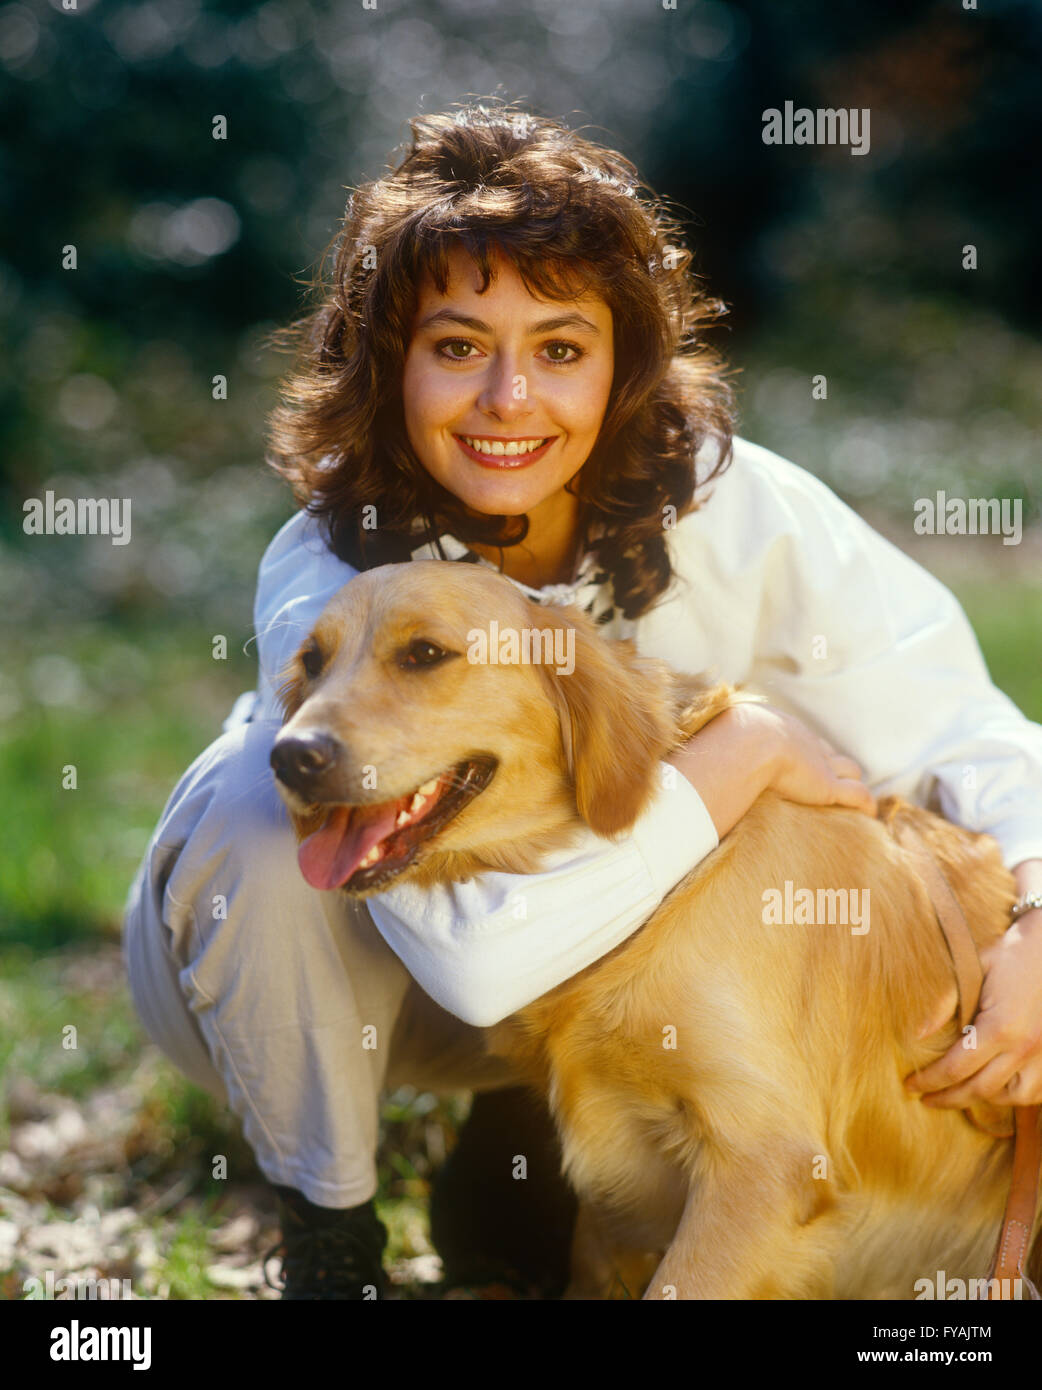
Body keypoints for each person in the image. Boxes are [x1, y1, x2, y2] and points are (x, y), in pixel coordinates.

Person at [122, 102, 1042, 1300]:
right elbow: (480, 966)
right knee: (260, 799)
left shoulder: (738, 510)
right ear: (388, 359)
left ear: (621, 367)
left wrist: (1032, 925)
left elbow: (961, 732)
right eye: (457, 345)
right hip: (360, 979)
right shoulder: (331, 565)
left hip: (644, 985)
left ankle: (567, 1131)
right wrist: (743, 750)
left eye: (560, 348)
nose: (510, 397)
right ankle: (329, 1220)